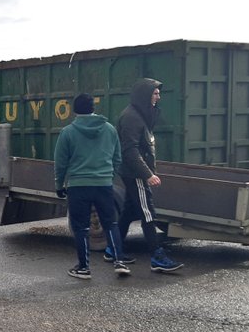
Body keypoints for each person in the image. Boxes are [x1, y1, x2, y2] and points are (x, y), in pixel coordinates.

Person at [55, 93, 130, 279]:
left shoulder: (68, 132)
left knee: (81, 227)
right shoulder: (109, 129)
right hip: (103, 184)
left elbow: (61, 162)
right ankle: (119, 261)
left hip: (78, 186)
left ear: (74, 110)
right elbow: (117, 158)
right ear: (93, 108)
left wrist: (59, 185)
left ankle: (83, 268)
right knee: (110, 223)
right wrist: (108, 176)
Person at [115, 78, 184, 272]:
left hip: (135, 171)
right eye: (155, 93)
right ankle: (157, 256)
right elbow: (129, 151)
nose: (158, 97)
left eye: (158, 93)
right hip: (135, 173)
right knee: (148, 212)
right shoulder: (131, 117)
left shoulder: (141, 114)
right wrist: (147, 174)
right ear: (145, 95)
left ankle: (113, 249)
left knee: (129, 210)